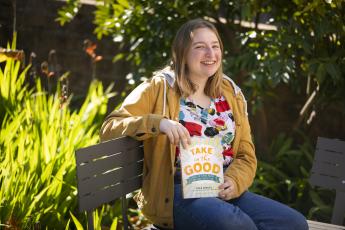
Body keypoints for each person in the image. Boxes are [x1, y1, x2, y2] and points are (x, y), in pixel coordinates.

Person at [100, 18, 308, 230]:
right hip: (176, 191)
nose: (211, 54)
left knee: (294, 224)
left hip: (220, 187)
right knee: (237, 226)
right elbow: (110, 128)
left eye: (215, 46)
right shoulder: (159, 88)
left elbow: (246, 155)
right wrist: (159, 123)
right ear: (182, 53)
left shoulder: (230, 93)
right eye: (200, 47)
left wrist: (234, 182)